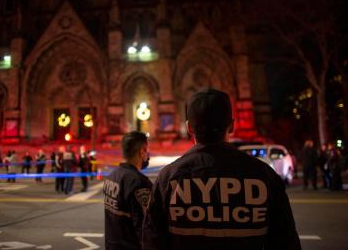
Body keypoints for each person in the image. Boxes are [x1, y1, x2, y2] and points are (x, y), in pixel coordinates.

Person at [142, 88, 301, 250]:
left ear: (190, 128)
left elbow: (152, 242)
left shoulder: (168, 179)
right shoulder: (264, 176)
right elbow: (286, 242)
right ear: (231, 126)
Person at [103, 131, 152, 250]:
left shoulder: (112, 177)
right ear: (142, 151)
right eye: (147, 150)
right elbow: (145, 227)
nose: (148, 154)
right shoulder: (139, 183)